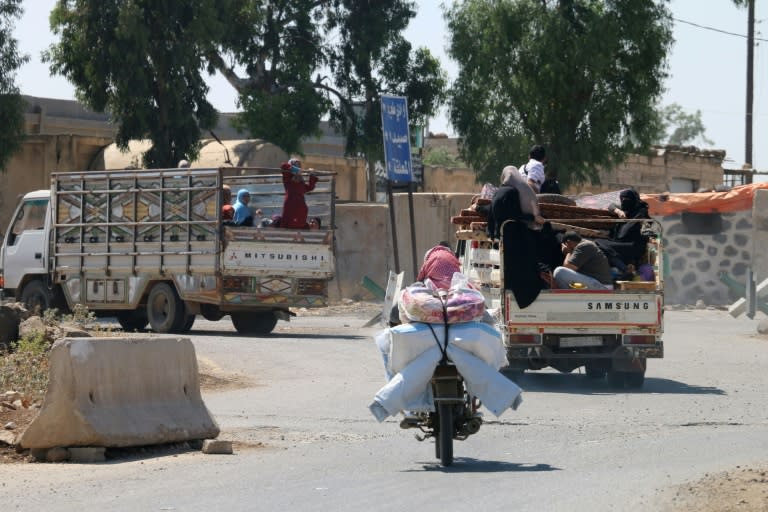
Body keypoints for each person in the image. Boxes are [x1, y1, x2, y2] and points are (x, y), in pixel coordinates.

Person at [597, 188, 651, 268]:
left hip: (633, 245)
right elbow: (611, 206)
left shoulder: (641, 211)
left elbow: (646, 224)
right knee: (599, 243)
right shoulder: (623, 209)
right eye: (622, 199)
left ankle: (625, 269)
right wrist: (618, 211)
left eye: (627, 199)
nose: (624, 201)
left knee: (602, 245)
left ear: (634, 199)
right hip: (620, 242)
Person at [279, 158, 319, 229]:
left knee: (299, 227)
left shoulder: (301, 182)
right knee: (286, 227)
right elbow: (283, 166)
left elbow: (310, 187)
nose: (298, 167)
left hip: (301, 208)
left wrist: (312, 174)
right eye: (295, 165)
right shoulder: (287, 178)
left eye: (298, 165)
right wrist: (295, 170)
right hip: (290, 206)